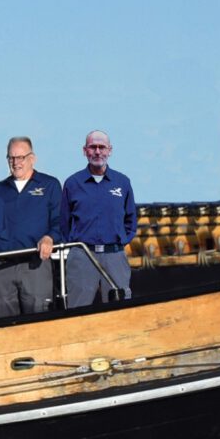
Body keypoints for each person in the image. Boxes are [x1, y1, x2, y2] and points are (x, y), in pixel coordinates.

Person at [0, 135, 64, 318]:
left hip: (35, 264)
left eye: (20, 157)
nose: (16, 162)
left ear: (32, 158)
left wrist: (50, 237)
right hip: (2, 268)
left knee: (39, 321)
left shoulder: (50, 185)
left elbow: (61, 220)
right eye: (11, 157)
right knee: (6, 325)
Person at [62, 130, 137, 307]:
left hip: (114, 256)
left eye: (102, 147)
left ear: (110, 150)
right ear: (85, 150)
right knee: (78, 310)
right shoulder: (72, 183)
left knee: (119, 311)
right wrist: (76, 248)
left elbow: (131, 220)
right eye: (92, 147)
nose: (97, 152)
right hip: (82, 257)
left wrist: (118, 243)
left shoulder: (122, 182)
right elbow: (63, 222)